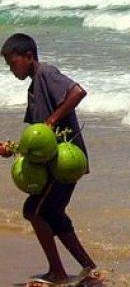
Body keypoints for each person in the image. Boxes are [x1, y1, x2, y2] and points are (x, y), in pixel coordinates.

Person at [0, 33, 103, 286]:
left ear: (29, 56)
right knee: (53, 214)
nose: (12, 70)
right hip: (53, 163)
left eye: (13, 64)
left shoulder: (46, 73)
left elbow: (78, 92)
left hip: (64, 162)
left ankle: (57, 271)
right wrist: (13, 149)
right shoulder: (34, 87)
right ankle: (90, 269)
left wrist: (52, 119)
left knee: (34, 211)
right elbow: (38, 139)